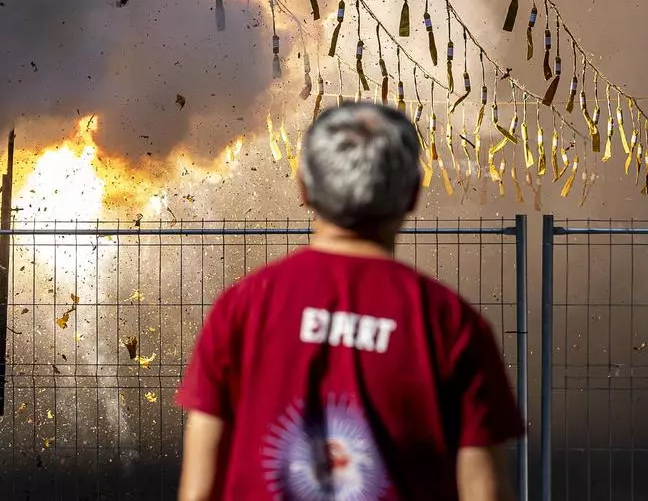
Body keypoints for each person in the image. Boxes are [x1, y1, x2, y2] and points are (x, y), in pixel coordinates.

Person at [175, 102, 525, 501]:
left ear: (303, 187)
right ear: (413, 193)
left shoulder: (243, 306)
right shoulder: (450, 323)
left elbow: (198, 489)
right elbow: (485, 490)